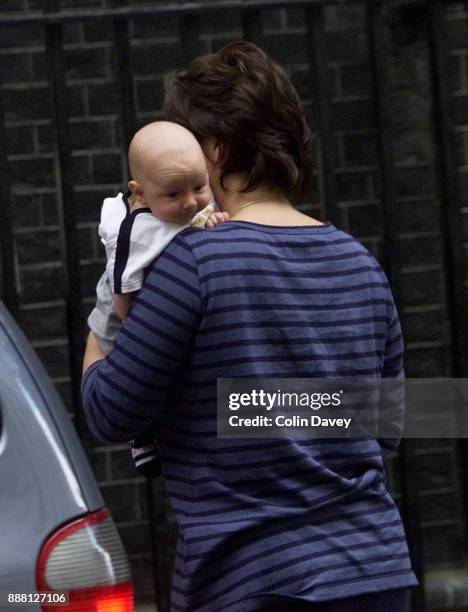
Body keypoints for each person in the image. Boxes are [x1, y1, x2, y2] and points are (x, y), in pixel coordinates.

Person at [82, 41, 418, 611]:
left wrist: (104, 319)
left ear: (213, 148)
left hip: (252, 578)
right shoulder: (361, 263)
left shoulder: (194, 263)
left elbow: (109, 411)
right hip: (373, 571)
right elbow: (383, 427)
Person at [87, 120, 227, 476]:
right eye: (173, 194)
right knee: (134, 369)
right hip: (119, 313)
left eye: (199, 186)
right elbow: (122, 285)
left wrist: (217, 221)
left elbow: (202, 217)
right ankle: (142, 436)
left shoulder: (191, 203)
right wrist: (135, 327)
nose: (190, 202)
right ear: (140, 193)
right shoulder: (135, 231)